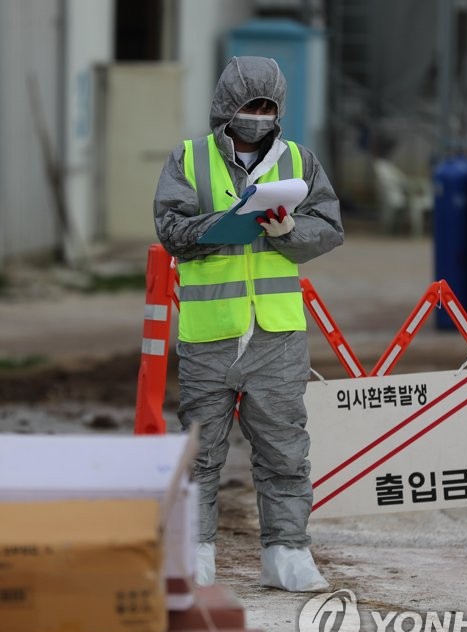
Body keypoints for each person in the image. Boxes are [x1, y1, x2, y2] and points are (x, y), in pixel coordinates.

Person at [153, 56, 344, 592]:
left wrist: (286, 231)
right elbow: (171, 229)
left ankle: (286, 553)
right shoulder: (187, 159)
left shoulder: (299, 161)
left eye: (266, 108)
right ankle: (194, 552)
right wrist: (229, 224)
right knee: (200, 451)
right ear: (224, 108)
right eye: (248, 106)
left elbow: (328, 227)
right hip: (209, 333)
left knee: (285, 449)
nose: (257, 116)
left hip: (277, 335)